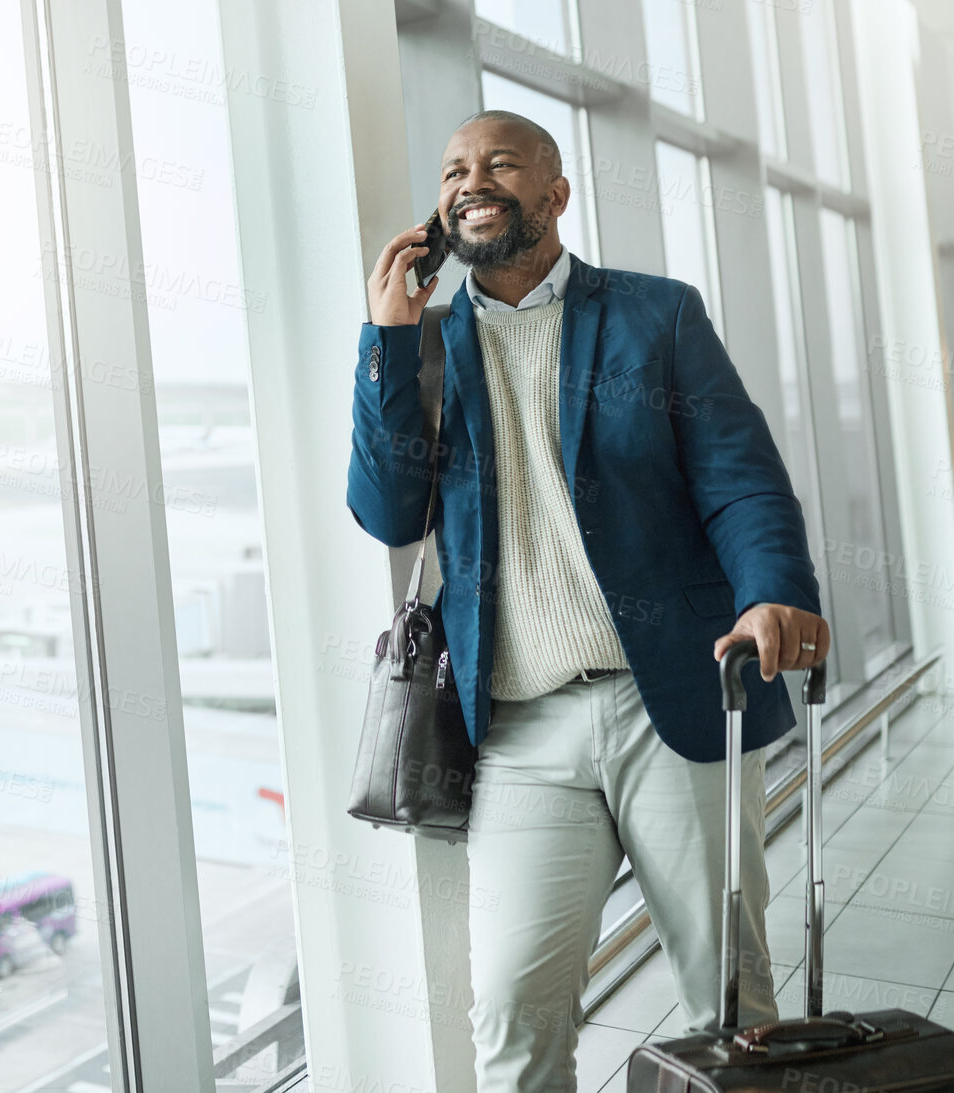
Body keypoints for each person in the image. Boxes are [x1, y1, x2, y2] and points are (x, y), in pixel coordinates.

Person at [349, 110, 828, 1091]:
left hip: (675, 704)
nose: (467, 180)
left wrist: (768, 593)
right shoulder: (427, 348)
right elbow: (387, 511)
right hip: (520, 732)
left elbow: (737, 480)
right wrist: (384, 343)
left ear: (552, 193)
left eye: (496, 163)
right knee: (513, 1016)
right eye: (451, 169)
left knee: (728, 1008)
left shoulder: (657, 316)